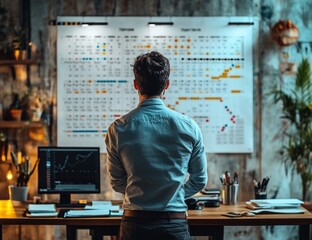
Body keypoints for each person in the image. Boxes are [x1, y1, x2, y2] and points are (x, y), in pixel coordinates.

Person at [105, 51, 208, 240]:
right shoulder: (189, 126)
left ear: (136, 85)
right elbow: (199, 179)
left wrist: (140, 195)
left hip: (135, 225)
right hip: (174, 225)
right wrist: (174, 194)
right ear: (166, 85)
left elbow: (116, 182)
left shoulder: (118, 129)